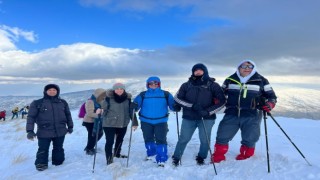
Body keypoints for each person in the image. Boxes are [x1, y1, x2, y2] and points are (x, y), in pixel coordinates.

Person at [212, 60, 277, 163]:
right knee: (222, 135)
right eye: (244, 66)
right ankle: (218, 155)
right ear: (239, 67)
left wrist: (269, 105)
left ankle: (246, 156)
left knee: (250, 137)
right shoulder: (230, 80)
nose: (247, 68)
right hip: (232, 113)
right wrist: (215, 98)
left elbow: (272, 97)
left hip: (252, 115)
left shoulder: (261, 80)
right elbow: (221, 94)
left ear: (253, 68)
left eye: (250, 66)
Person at [171, 63, 226, 166]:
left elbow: (222, 102)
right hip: (189, 117)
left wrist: (207, 112)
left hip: (206, 118)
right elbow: (177, 98)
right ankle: (176, 156)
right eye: (195, 70)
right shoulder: (186, 85)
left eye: (200, 70)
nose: (198, 72)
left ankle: (202, 156)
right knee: (184, 138)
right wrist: (191, 106)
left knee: (205, 139)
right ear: (193, 72)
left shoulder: (213, 85)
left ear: (205, 71)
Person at [26, 84, 73, 171]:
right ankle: (41, 164)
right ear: (45, 91)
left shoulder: (62, 102)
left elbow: (68, 115)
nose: (52, 91)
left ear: (57, 91)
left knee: (58, 147)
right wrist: (30, 130)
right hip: (44, 131)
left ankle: (58, 161)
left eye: (54, 90)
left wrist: (70, 126)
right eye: (50, 90)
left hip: (60, 130)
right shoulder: (37, 103)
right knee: (43, 148)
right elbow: (31, 117)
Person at [132, 76, 175, 167]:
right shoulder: (143, 95)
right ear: (148, 85)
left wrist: (176, 106)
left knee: (161, 139)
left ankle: (162, 158)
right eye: (151, 83)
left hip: (161, 121)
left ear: (159, 84)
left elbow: (172, 106)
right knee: (148, 138)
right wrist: (133, 106)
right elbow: (136, 107)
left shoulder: (166, 94)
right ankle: (151, 154)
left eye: (156, 83)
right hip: (146, 121)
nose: (153, 85)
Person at [101, 83, 139, 165]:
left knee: (120, 139)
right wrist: (100, 111)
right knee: (110, 141)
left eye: (121, 89)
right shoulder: (108, 99)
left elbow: (131, 111)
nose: (119, 90)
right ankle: (109, 159)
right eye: (117, 88)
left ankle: (117, 153)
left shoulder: (128, 99)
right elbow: (103, 111)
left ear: (124, 90)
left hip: (123, 123)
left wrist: (134, 122)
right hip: (109, 124)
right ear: (114, 90)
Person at [82, 88, 106, 155]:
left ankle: (89, 147)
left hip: (97, 121)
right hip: (90, 122)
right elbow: (89, 113)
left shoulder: (101, 100)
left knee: (95, 135)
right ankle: (89, 149)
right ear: (98, 94)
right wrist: (99, 114)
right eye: (102, 94)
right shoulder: (90, 101)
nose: (104, 95)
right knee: (94, 135)